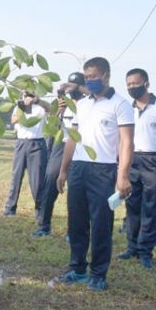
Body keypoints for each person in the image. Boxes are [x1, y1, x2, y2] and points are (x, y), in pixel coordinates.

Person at [56, 57, 134, 292]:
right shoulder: (82, 105)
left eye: (93, 77)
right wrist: (63, 170)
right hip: (79, 168)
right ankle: (78, 269)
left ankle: (98, 274)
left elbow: (127, 143)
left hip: (104, 169)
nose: (89, 81)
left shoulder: (120, 105)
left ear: (106, 76)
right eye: (87, 77)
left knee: (101, 223)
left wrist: (122, 175)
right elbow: (73, 139)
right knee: (76, 222)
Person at [115, 69, 156, 269]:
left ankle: (145, 251)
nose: (132, 87)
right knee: (132, 205)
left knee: (151, 206)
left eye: (136, 83)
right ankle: (132, 247)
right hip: (133, 159)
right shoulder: (127, 108)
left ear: (147, 83)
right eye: (129, 84)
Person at [31, 72, 85, 238]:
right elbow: (52, 124)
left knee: (76, 190)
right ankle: (44, 225)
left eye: (75, 86)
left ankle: (73, 230)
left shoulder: (88, 103)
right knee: (50, 181)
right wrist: (58, 112)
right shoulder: (62, 103)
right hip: (62, 144)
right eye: (69, 85)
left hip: (81, 146)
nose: (72, 89)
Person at [3, 92, 50, 217]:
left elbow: (50, 108)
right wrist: (23, 107)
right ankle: (10, 208)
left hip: (37, 143)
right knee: (16, 176)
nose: (25, 98)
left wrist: (37, 101)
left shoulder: (40, 107)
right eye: (23, 95)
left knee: (37, 179)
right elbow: (13, 120)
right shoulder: (19, 106)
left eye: (28, 95)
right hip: (21, 142)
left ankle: (40, 210)